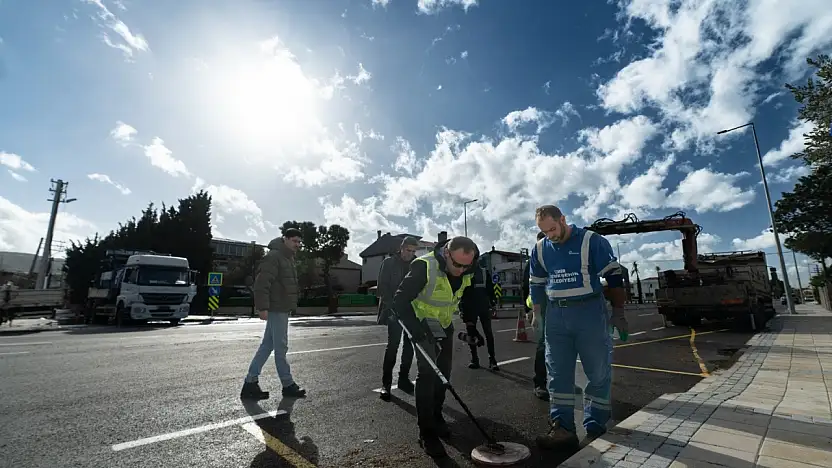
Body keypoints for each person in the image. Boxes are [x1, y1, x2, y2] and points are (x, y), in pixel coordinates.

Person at [529, 205, 628, 449]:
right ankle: (562, 428)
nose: (550, 235)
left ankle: (596, 426)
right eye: (545, 231)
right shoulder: (540, 248)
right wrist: (537, 313)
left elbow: (613, 276)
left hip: (589, 312)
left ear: (563, 219)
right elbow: (536, 283)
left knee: (597, 371)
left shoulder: (591, 241)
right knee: (557, 373)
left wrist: (619, 313)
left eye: (553, 229)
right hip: (556, 315)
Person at [392, 236, 480, 458]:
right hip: (422, 324)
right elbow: (400, 300)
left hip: (445, 325)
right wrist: (415, 329)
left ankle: (437, 416)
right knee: (427, 374)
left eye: (466, 265)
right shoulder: (424, 266)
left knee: (444, 373)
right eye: (457, 264)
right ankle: (426, 431)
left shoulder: (469, 268)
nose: (461, 270)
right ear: (447, 253)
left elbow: (469, 298)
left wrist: (471, 325)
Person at [240, 228, 307, 400]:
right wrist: (262, 307)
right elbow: (262, 283)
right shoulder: (274, 257)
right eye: (294, 241)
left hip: (281, 307)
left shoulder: (287, 258)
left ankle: (250, 383)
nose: (297, 244)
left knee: (267, 346)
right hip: (277, 308)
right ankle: (288, 385)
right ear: (285, 239)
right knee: (281, 347)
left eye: (299, 242)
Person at [377, 237, 418, 401]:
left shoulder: (417, 264)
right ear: (401, 248)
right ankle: (386, 385)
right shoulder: (389, 263)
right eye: (408, 250)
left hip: (410, 310)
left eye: (414, 251)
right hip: (393, 309)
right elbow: (382, 286)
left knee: (409, 346)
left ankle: (403, 379)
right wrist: (391, 305)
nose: (411, 254)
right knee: (393, 346)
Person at [523, 231, 549, 401]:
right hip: (540, 310)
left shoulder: (557, 258)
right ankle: (540, 383)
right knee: (542, 346)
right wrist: (528, 311)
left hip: (559, 308)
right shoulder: (532, 262)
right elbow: (525, 287)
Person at [461, 256, 499, 370]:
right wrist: (462, 310)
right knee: (471, 333)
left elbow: (490, 289)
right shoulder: (464, 273)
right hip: (469, 308)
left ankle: (492, 360)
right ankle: (474, 359)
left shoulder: (484, 272)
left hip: (483, 307)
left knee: (488, 333)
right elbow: (461, 293)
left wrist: (493, 304)